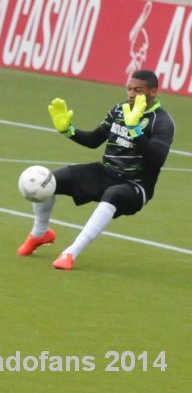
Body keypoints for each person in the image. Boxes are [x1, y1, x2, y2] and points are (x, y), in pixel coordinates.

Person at [17, 70, 174, 270]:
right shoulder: (120, 109)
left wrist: (134, 129)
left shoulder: (162, 122)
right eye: (129, 89)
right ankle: (40, 234)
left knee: (113, 194)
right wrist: (69, 130)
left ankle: (70, 253)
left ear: (153, 92)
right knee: (47, 180)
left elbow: (156, 160)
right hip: (105, 172)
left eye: (138, 90)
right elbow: (94, 140)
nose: (131, 94)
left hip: (135, 185)